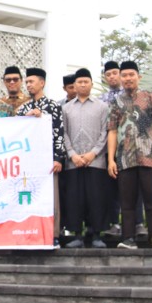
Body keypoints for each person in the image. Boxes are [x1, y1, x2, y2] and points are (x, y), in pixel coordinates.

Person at [107, 61, 152, 250]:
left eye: (131, 75)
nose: (127, 78)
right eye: (124, 75)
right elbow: (112, 131)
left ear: (138, 77)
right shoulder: (115, 102)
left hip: (149, 157)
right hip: (125, 159)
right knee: (127, 201)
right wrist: (111, 159)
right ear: (120, 78)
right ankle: (128, 239)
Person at [61, 68, 109, 248]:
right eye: (79, 82)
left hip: (96, 161)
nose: (82, 85)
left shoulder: (102, 106)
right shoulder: (66, 108)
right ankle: (77, 235)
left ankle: (97, 235)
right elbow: (63, 133)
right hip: (73, 162)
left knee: (96, 198)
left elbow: (106, 132)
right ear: (74, 85)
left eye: (85, 82)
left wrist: (93, 153)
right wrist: (72, 154)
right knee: (75, 199)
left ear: (91, 84)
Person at [17, 67, 65, 248]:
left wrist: (58, 158)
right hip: (28, 162)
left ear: (42, 83)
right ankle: (29, 234)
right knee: (29, 196)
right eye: (27, 82)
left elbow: (59, 132)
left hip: (48, 161)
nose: (28, 85)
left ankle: (54, 235)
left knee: (52, 198)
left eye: (31, 81)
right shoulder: (22, 109)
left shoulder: (53, 106)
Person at [101, 61, 125, 237]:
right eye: (108, 74)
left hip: (130, 148)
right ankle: (114, 223)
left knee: (132, 188)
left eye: (115, 73)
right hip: (108, 148)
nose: (112, 76)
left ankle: (137, 223)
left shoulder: (131, 95)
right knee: (111, 188)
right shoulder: (102, 100)